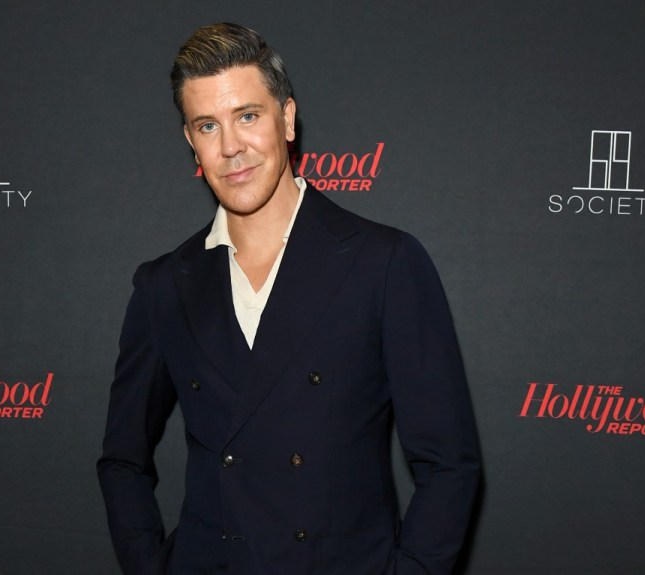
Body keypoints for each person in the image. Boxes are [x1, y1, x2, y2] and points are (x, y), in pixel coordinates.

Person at [98, 22, 481, 575]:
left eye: (248, 116)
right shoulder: (163, 284)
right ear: (191, 140)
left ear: (287, 118)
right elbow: (122, 459)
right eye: (208, 125)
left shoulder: (383, 262)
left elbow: (449, 464)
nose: (231, 147)